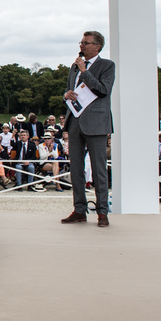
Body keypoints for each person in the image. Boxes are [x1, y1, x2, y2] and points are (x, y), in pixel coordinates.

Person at [61, 30, 116, 227]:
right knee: (76, 169)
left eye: (85, 43)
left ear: (97, 46)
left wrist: (85, 71)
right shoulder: (74, 66)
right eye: (81, 42)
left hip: (97, 123)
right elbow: (71, 89)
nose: (81, 46)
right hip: (75, 121)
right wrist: (66, 95)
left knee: (99, 169)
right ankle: (79, 210)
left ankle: (102, 212)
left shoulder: (107, 65)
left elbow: (103, 90)